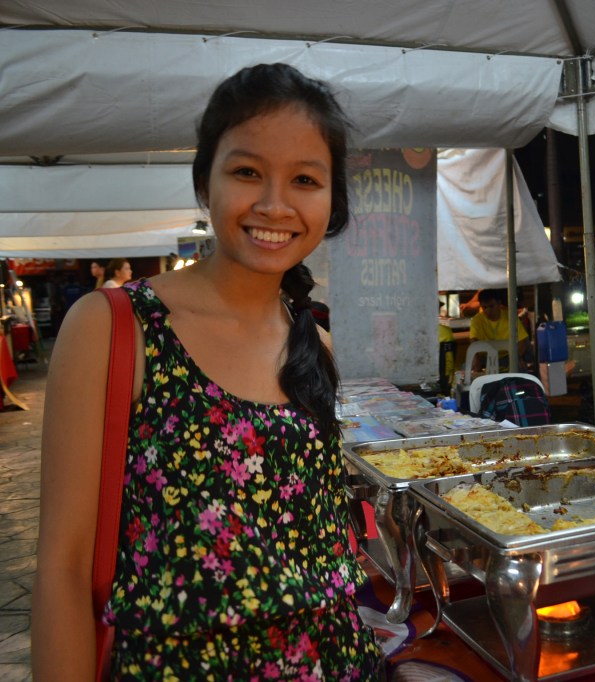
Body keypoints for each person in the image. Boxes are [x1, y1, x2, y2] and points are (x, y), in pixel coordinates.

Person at [33, 63, 384, 678]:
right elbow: (62, 567)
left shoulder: (316, 342)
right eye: (247, 171)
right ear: (205, 182)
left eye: (305, 179)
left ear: (332, 202)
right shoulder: (113, 327)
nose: (275, 204)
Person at [468, 288, 528, 371]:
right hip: (484, 358)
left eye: (491, 306)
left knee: (521, 368)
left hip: (507, 357)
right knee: (466, 369)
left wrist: (516, 357)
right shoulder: (476, 320)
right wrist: (476, 358)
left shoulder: (510, 317)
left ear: (499, 303)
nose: (488, 310)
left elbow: (522, 340)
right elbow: (473, 340)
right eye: (484, 307)